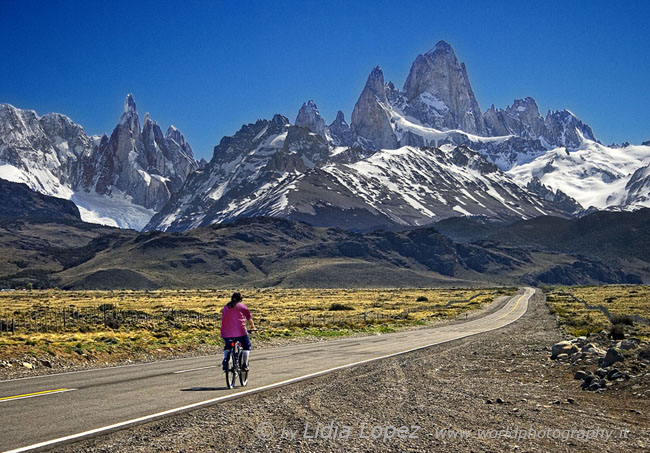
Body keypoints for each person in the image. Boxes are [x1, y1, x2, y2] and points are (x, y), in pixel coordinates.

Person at [221, 292, 256, 371]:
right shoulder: (242, 306)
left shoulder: (226, 307)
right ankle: (244, 365)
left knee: (228, 346)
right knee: (246, 347)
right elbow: (249, 318)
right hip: (240, 332)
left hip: (226, 332)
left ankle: (226, 360)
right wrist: (252, 327)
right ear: (241, 299)